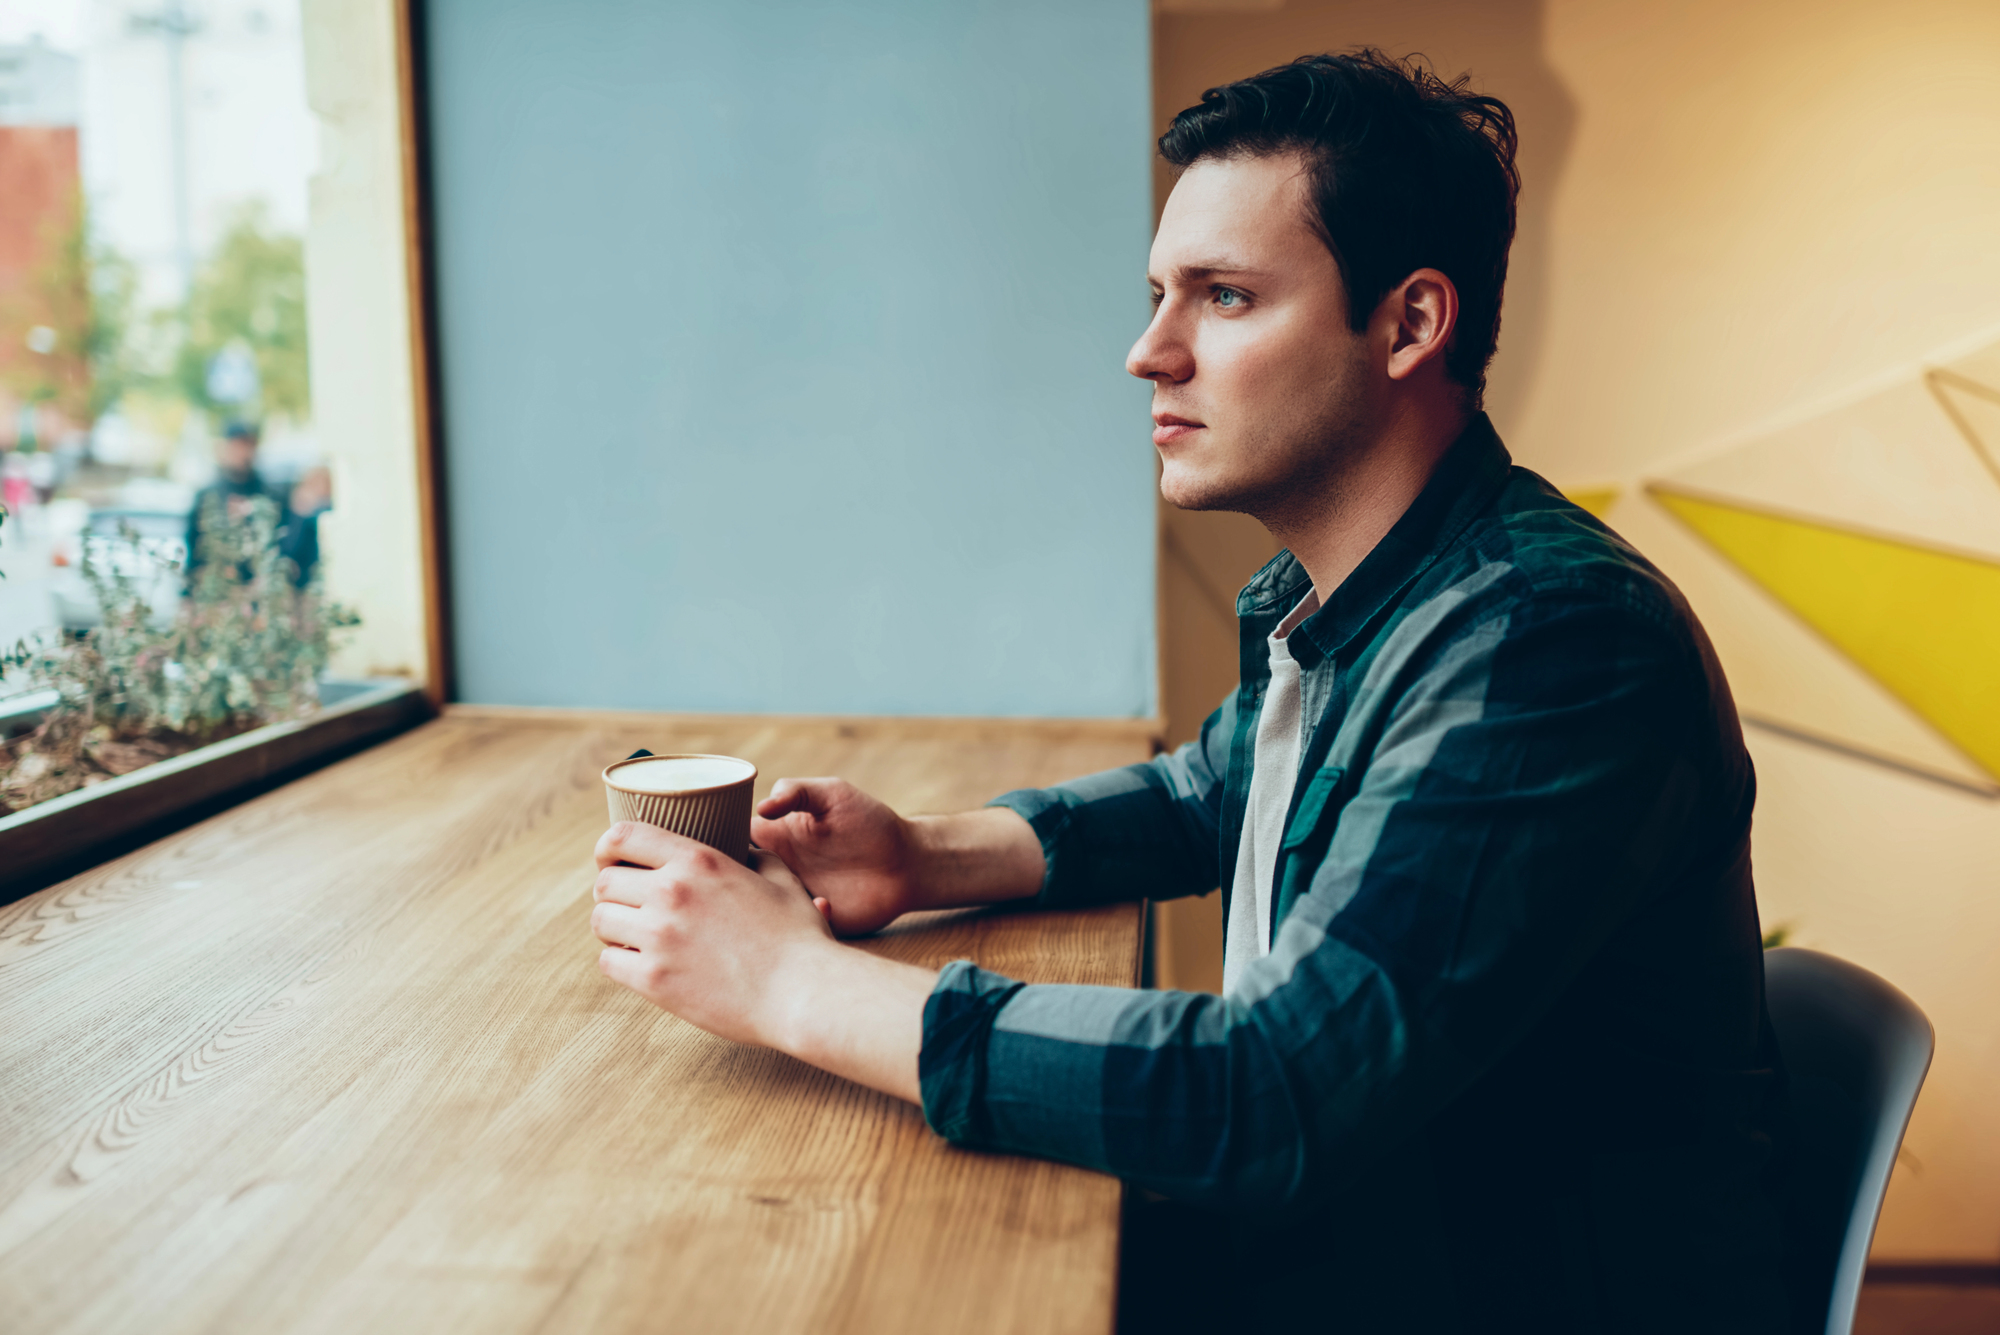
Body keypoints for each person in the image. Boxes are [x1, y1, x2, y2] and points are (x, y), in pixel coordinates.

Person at [587, 52, 1792, 1333]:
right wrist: (919, 856)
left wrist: (789, 986)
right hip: (1340, 1253)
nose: (1146, 353)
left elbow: (1272, 1095)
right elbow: (1210, 791)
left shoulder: (1551, 644)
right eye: (1160, 294)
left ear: (1408, 324)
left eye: (1221, 298)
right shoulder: (1352, 598)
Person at [183, 420, 274, 581]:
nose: (242, 452)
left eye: (248, 445)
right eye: (237, 446)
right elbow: (193, 545)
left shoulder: (269, 495)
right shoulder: (207, 496)